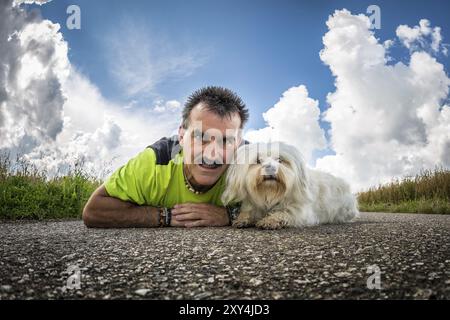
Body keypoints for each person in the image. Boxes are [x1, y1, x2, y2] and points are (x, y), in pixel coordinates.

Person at [82, 86, 249, 228]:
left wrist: (230, 215)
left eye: (226, 140)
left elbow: (275, 208)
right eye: (200, 137)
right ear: (182, 136)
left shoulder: (251, 161)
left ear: (239, 143)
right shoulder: (156, 160)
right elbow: (94, 210)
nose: (212, 154)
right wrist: (164, 215)